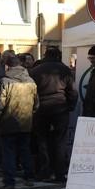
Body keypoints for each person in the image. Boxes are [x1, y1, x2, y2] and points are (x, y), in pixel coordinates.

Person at [29, 47, 78, 182]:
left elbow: (31, 92)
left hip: (41, 108)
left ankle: (44, 171)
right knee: (60, 141)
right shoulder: (64, 70)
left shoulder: (35, 71)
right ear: (58, 56)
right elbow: (72, 91)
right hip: (60, 108)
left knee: (42, 140)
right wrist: (70, 106)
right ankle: (59, 173)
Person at [0, 55, 39, 189]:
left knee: (9, 152)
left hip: (8, 123)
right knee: (25, 151)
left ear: (7, 66)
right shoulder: (31, 81)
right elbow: (36, 104)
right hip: (26, 122)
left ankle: (9, 181)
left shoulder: (5, 82)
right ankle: (29, 177)